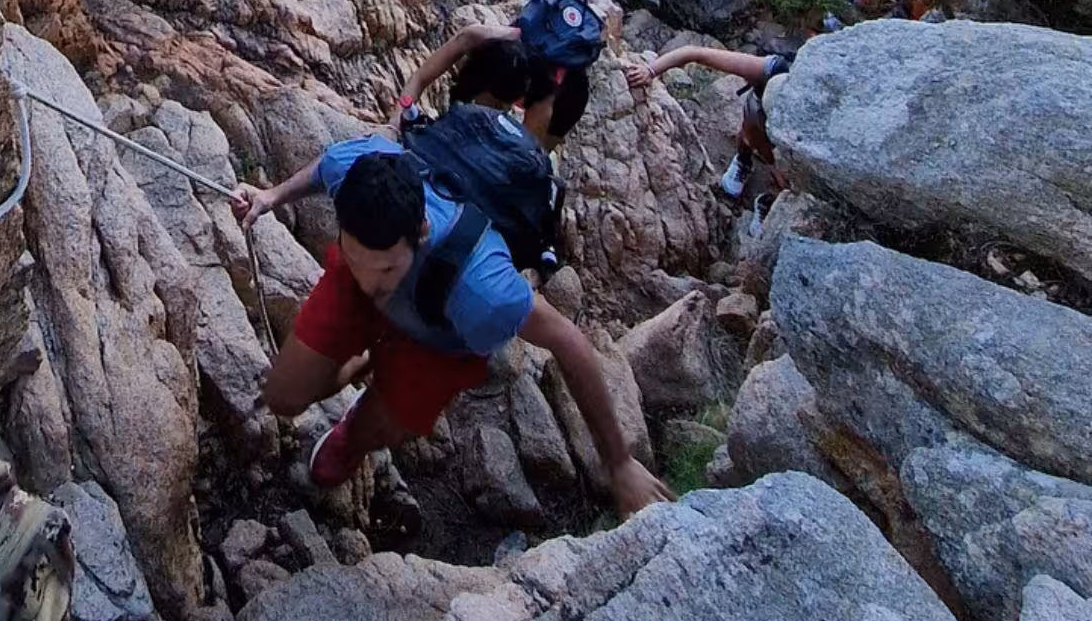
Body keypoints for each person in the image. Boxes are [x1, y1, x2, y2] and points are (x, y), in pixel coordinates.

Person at [232, 129, 673, 517]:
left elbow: (568, 340)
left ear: (422, 231)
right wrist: (271, 196)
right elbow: (328, 164)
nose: (370, 283)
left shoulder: (486, 293)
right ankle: (367, 359)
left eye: (385, 269)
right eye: (357, 258)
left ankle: (355, 429)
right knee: (285, 396)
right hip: (408, 299)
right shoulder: (358, 172)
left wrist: (618, 462)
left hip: (441, 335)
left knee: (378, 427)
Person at [623, 45, 792, 199]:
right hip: (758, 115)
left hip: (775, 127)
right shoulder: (775, 69)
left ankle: (771, 197)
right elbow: (695, 53)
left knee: (783, 175)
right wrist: (650, 70)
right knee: (750, 136)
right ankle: (744, 160)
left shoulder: (776, 73)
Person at [389, 23, 528, 126]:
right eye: (496, 105)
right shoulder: (472, 37)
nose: (499, 109)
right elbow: (420, 79)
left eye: (501, 107)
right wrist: (395, 124)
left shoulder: (536, 78)